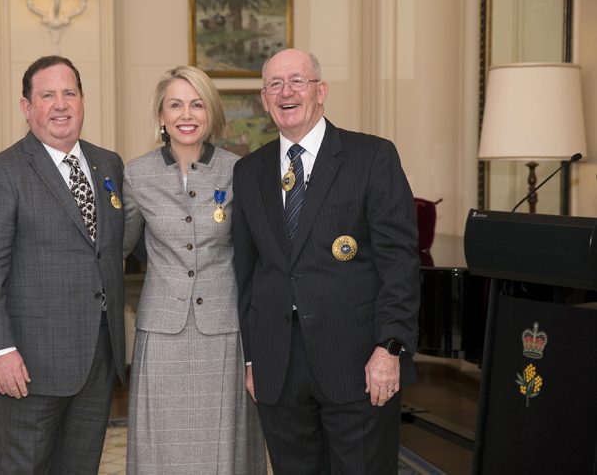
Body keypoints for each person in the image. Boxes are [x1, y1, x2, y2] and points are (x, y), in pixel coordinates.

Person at [231, 49, 420, 474]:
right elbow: (246, 273)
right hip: (278, 365)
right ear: (264, 100)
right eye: (275, 84)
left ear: (321, 91)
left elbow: (399, 262)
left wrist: (390, 347)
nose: (286, 92)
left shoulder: (372, 157)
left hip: (358, 362)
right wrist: (251, 359)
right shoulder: (249, 171)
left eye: (297, 80)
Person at [0, 55, 126, 474]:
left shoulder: (108, 164)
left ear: (83, 100)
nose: (60, 104)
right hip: (25, 366)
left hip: (95, 361)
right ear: (26, 107)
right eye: (47, 95)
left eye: (69, 92)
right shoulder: (0, 172)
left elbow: (110, 249)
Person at [122, 65, 267, 474]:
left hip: (223, 330)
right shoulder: (136, 174)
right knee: (160, 449)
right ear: (161, 116)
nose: (187, 115)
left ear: (211, 113)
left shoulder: (241, 171)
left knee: (224, 448)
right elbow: (114, 250)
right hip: (162, 331)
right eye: (176, 105)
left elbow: (256, 256)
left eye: (197, 104)